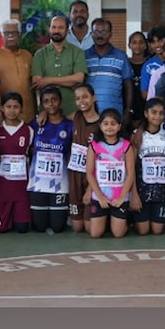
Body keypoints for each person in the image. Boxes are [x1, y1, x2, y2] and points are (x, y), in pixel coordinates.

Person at [25, 88, 73, 233]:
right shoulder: (36, 124)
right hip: (38, 184)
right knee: (39, 227)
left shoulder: (70, 126)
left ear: (60, 102)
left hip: (60, 184)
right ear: (42, 105)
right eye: (46, 101)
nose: (50, 104)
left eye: (54, 100)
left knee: (58, 227)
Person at [85, 108, 135, 238]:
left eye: (113, 123)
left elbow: (130, 173)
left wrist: (122, 197)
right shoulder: (94, 146)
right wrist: (100, 196)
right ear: (100, 126)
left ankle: (125, 221)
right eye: (105, 123)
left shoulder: (126, 146)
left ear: (119, 126)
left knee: (118, 234)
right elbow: (90, 173)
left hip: (119, 195)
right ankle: (108, 220)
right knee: (95, 234)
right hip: (100, 195)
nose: (109, 127)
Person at [129, 98, 165, 236]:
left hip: (161, 191)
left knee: (157, 230)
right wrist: (134, 194)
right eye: (154, 112)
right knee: (143, 231)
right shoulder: (137, 136)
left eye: (161, 113)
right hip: (142, 191)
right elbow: (131, 168)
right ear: (146, 113)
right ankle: (130, 219)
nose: (157, 116)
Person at [0, 91, 35, 233]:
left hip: (21, 185)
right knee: (1, 228)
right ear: (2, 109)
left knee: (22, 228)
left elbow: (32, 154)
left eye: (16, 106)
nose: (12, 110)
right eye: (8, 106)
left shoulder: (29, 130)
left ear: (22, 108)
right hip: (3, 185)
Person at [31, 15, 87, 119]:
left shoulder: (77, 52)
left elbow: (79, 79)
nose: (56, 30)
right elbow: (37, 82)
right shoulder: (40, 54)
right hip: (48, 112)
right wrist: (68, 80)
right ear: (49, 29)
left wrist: (47, 80)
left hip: (72, 110)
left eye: (61, 27)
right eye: (54, 27)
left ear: (67, 30)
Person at [0, 18, 36, 123]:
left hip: (28, 114)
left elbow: (33, 86)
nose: (10, 36)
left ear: (20, 35)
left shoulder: (27, 55)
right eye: (7, 33)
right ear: (2, 35)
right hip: (6, 116)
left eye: (14, 33)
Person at [67, 83, 101, 232]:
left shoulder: (102, 125)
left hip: (92, 178)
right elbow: (55, 118)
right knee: (77, 227)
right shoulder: (75, 117)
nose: (82, 101)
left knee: (89, 228)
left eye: (85, 97)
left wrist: (90, 189)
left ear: (94, 98)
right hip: (75, 175)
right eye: (78, 98)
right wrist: (43, 114)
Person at [84, 17, 133, 117]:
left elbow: (128, 85)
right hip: (89, 114)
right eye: (96, 32)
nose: (100, 35)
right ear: (91, 34)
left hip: (114, 115)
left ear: (111, 34)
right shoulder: (84, 56)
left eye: (104, 32)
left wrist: (128, 111)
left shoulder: (121, 56)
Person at [127, 31, 149, 126]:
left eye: (141, 42)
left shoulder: (150, 64)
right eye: (134, 42)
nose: (138, 46)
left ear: (145, 45)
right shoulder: (125, 63)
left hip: (146, 110)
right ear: (129, 45)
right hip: (128, 110)